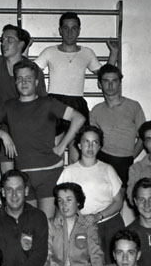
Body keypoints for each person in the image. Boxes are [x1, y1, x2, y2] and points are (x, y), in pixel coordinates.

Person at [0, 60, 85, 219]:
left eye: (28, 78)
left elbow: (79, 118)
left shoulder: (48, 103)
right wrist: (4, 135)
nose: (24, 82)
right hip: (23, 176)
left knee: (46, 223)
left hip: (49, 173)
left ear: (36, 82)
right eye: (19, 79)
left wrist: (63, 145)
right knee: (28, 224)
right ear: (15, 82)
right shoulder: (9, 106)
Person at [34, 12, 119, 163]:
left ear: (79, 30)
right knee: (54, 155)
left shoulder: (87, 53)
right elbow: (30, 72)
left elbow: (105, 75)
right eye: (66, 28)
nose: (69, 32)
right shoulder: (49, 52)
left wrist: (114, 53)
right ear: (60, 30)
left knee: (77, 157)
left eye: (73, 28)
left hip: (77, 104)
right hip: (54, 104)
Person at [57, 125, 124, 263]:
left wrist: (98, 216)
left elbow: (118, 201)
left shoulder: (108, 169)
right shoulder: (69, 172)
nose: (90, 146)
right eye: (86, 141)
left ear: (99, 147)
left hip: (110, 224)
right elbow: (61, 204)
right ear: (79, 145)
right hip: (82, 226)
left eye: (95, 142)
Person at [0, 24, 48, 177]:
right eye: (2, 40)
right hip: (6, 126)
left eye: (9, 40)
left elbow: (42, 104)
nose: (4, 44)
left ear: (21, 44)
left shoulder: (33, 69)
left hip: (30, 127)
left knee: (30, 177)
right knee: (8, 178)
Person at [89, 64, 146, 186]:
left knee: (122, 196)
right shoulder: (96, 110)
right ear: (100, 84)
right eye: (106, 81)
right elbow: (92, 141)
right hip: (102, 160)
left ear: (120, 83)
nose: (110, 85)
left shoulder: (133, 106)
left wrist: (130, 157)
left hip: (125, 161)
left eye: (114, 81)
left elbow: (143, 137)